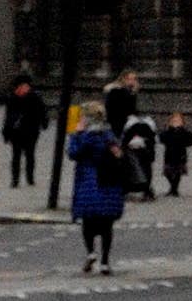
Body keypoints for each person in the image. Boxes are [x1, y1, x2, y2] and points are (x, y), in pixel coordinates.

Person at [68, 112, 127, 274]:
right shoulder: (108, 136)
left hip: (88, 183)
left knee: (88, 223)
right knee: (107, 225)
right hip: (109, 183)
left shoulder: (83, 137)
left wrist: (77, 134)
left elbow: (73, 153)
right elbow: (119, 154)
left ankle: (91, 253)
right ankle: (105, 262)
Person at [3, 76, 49, 188]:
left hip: (31, 130)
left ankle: (30, 178)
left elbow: (42, 111)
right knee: (16, 156)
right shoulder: (12, 98)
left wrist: (44, 123)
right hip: (16, 132)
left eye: (25, 86)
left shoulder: (35, 97)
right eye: (21, 86)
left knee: (30, 154)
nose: (23, 89)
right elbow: (8, 117)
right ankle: (15, 179)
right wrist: (6, 132)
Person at [119, 113, 158, 201]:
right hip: (132, 153)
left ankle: (145, 189)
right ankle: (142, 189)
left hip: (143, 153)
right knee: (133, 171)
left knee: (143, 171)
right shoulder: (141, 127)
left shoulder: (139, 127)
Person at [159, 115, 192, 197]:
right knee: (168, 173)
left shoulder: (183, 132)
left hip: (180, 155)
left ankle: (174, 189)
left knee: (177, 172)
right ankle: (173, 188)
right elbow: (162, 139)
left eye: (178, 121)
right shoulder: (168, 132)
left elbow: (189, 142)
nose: (176, 123)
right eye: (174, 121)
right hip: (169, 155)